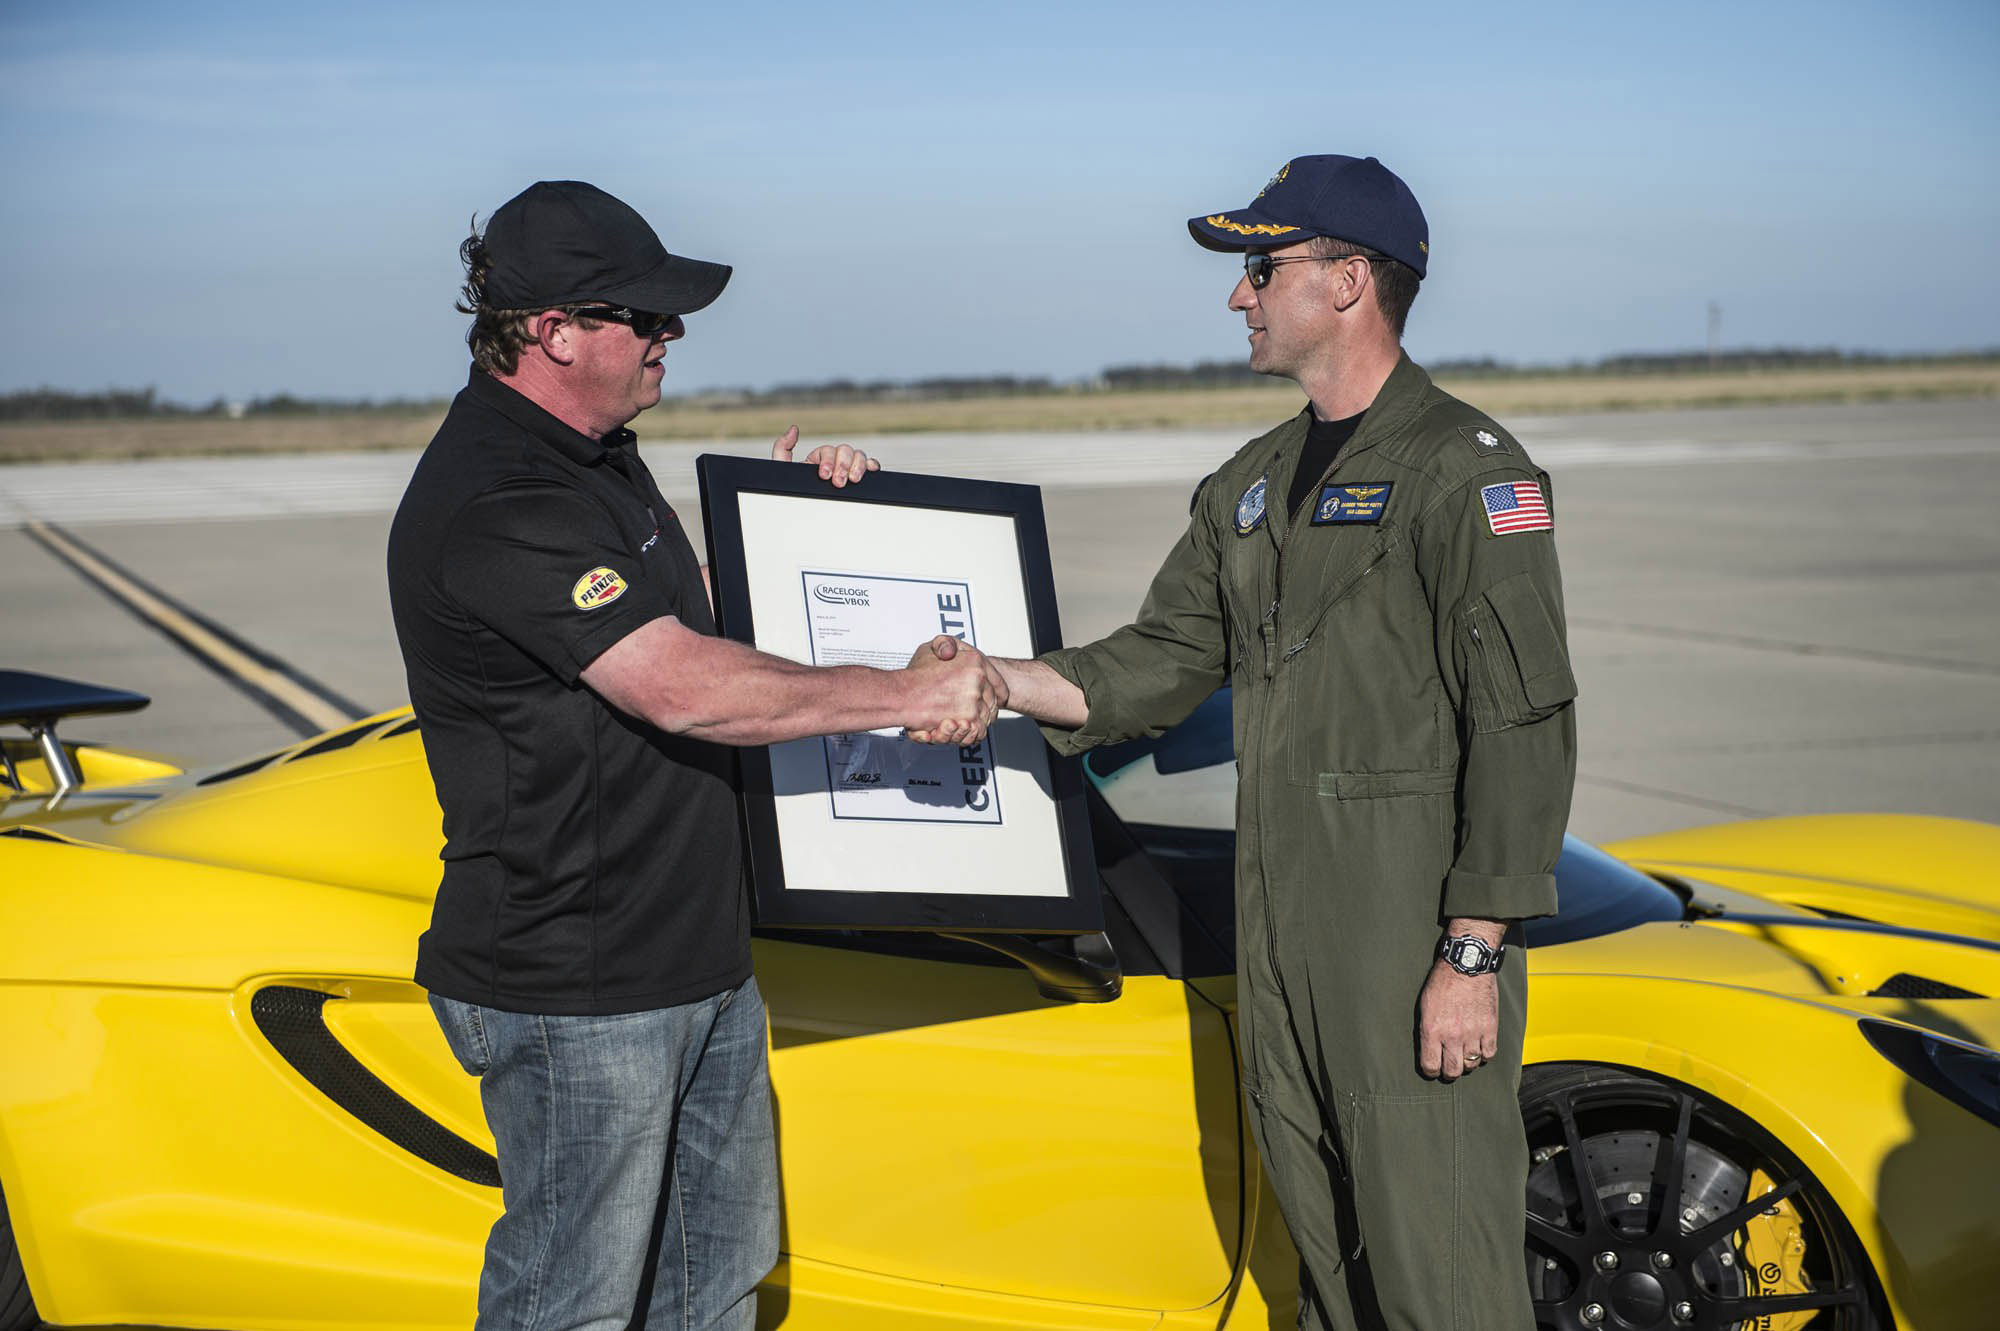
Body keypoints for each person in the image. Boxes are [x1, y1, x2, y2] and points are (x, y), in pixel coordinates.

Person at [954, 156, 1577, 1328]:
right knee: (1331, 1283)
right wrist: (995, 677)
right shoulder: (1244, 488)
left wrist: (1473, 951)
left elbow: (1521, 722)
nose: (1236, 296)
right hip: (1276, 939)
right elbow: (1151, 662)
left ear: (1346, 282)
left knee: (1444, 1278)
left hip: (1402, 946)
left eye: (1258, 267)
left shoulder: (1466, 475)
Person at [386, 180, 1005, 1331]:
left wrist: (801, 529)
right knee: (569, 1303)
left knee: (708, 1286)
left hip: (690, 960)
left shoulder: (596, 456)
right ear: (554, 331)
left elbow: (688, 615)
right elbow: (676, 684)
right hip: (579, 980)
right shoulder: (500, 494)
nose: (675, 335)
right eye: (649, 316)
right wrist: (909, 693)